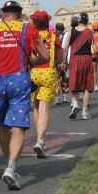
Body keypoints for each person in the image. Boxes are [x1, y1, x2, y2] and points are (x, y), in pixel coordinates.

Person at [0, 0, 49, 190]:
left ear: (3, 14)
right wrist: (32, 62)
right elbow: (45, 56)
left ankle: (9, 162)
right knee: (18, 126)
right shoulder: (28, 29)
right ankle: (11, 167)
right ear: (19, 14)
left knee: (3, 125)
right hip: (19, 79)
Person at [29, 10, 62, 158]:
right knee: (44, 109)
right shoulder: (53, 36)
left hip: (34, 73)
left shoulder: (31, 36)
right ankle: (40, 140)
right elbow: (59, 58)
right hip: (48, 73)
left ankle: (38, 138)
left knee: (36, 108)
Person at [61, 12, 98, 120]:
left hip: (74, 59)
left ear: (78, 20)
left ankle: (75, 103)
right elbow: (95, 49)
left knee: (74, 83)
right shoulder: (90, 32)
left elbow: (65, 48)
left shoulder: (70, 31)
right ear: (87, 21)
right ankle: (85, 112)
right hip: (86, 59)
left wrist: (64, 61)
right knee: (86, 86)